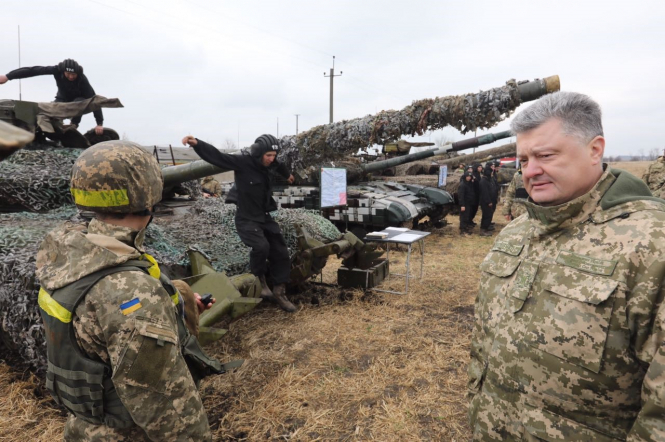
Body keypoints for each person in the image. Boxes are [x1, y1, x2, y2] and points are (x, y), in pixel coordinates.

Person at [468, 91, 665, 441]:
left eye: (545, 156)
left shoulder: (651, 243)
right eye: (523, 159)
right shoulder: (517, 231)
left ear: (594, 149)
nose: (531, 171)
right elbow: (485, 340)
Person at [35, 141, 224, 440]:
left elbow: (95, 325)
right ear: (148, 192)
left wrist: (170, 309)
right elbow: (166, 408)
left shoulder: (68, 254)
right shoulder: (131, 290)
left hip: (83, 428)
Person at [182, 134, 297, 313]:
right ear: (259, 153)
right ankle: (260, 281)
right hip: (246, 217)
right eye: (268, 156)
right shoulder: (243, 162)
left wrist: (288, 175)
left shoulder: (271, 162)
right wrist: (197, 144)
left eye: (274, 155)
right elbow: (218, 157)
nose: (271, 159)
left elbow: (279, 165)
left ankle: (280, 291)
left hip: (263, 215)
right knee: (261, 247)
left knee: (281, 250)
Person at [0, 59, 104, 134]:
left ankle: (74, 125)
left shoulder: (82, 80)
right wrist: (8, 76)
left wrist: (99, 123)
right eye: (68, 74)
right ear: (63, 71)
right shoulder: (56, 70)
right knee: (48, 111)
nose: (71, 77)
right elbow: (33, 70)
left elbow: (95, 101)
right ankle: (47, 130)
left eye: (74, 75)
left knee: (79, 102)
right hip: (62, 99)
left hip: (79, 101)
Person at [478, 164, 497, 236]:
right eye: (491, 172)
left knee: (489, 215)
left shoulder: (489, 180)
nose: (492, 173)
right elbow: (484, 193)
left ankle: (486, 227)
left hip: (491, 200)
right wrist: (488, 201)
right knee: (486, 215)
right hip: (486, 202)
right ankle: (483, 229)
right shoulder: (483, 181)